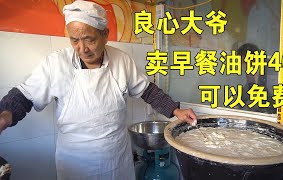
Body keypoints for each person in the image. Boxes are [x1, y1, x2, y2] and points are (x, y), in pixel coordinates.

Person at [0, 1, 197, 179]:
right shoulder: (56, 64)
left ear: (105, 35)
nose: (82, 48)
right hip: (75, 163)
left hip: (116, 160)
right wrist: (7, 114)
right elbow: (24, 95)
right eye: (74, 40)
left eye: (89, 39)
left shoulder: (122, 61)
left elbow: (147, 90)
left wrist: (175, 110)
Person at [236, 43, 276, 113]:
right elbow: (244, 98)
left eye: (242, 62)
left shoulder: (270, 71)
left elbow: (272, 99)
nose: (242, 66)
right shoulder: (250, 74)